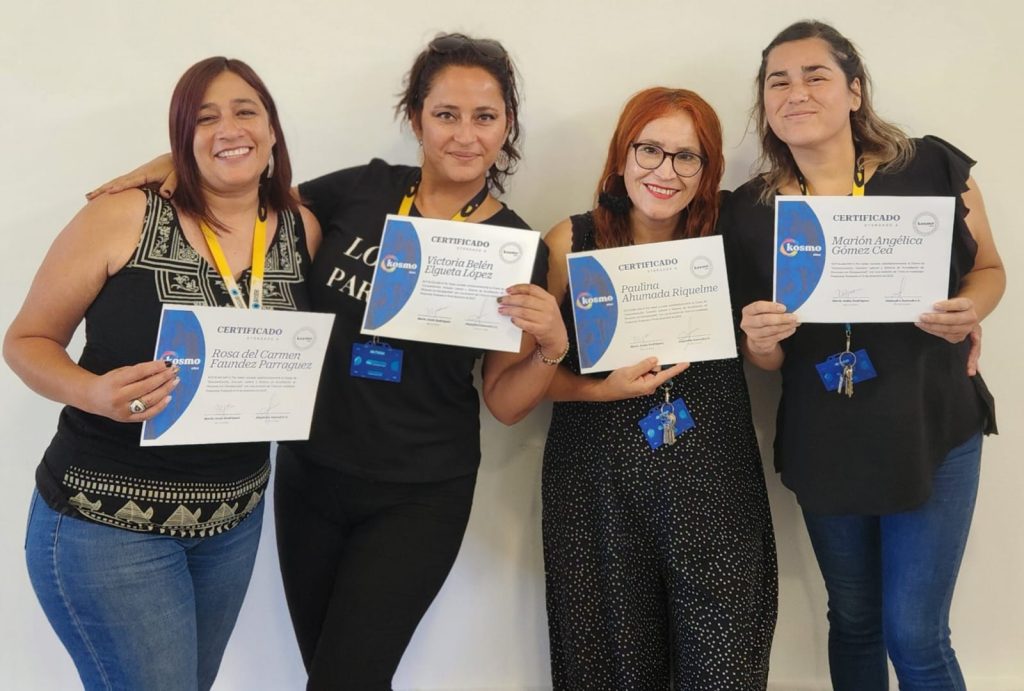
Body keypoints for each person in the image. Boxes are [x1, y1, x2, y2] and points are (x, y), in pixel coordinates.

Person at [91, 33, 566, 690]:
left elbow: (505, 401)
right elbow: (248, 195)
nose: (465, 134)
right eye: (446, 114)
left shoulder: (516, 247)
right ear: (415, 119)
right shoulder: (360, 191)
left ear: (506, 125)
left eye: (484, 117)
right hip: (310, 477)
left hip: (419, 494)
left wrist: (551, 345)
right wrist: (174, 160)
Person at [5, 57, 320, 690]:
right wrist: (91, 392)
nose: (227, 128)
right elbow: (26, 341)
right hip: (107, 525)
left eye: (244, 111)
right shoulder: (122, 218)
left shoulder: (299, 228)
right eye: (203, 118)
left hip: (232, 522)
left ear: (273, 129)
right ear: (180, 138)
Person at [722, 20, 1004, 691]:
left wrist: (974, 306)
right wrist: (758, 344)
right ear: (765, 104)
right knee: (853, 619)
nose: (796, 91)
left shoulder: (932, 166)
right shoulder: (746, 211)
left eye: (815, 74)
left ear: (854, 91)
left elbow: (989, 267)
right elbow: (763, 357)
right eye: (777, 81)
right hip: (827, 440)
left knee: (916, 634)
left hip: (930, 427)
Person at [542, 87, 777, 690]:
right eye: (650, 150)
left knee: (723, 669)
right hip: (598, 489)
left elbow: (767, 360)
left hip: (714, 488)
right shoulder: (571, 244)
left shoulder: (729, 242)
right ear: (621, 156)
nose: (665, 171)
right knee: (606, 670)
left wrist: (763, 341)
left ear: (708, 171)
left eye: (687, 157)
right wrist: (600, 390)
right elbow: (519, 386)